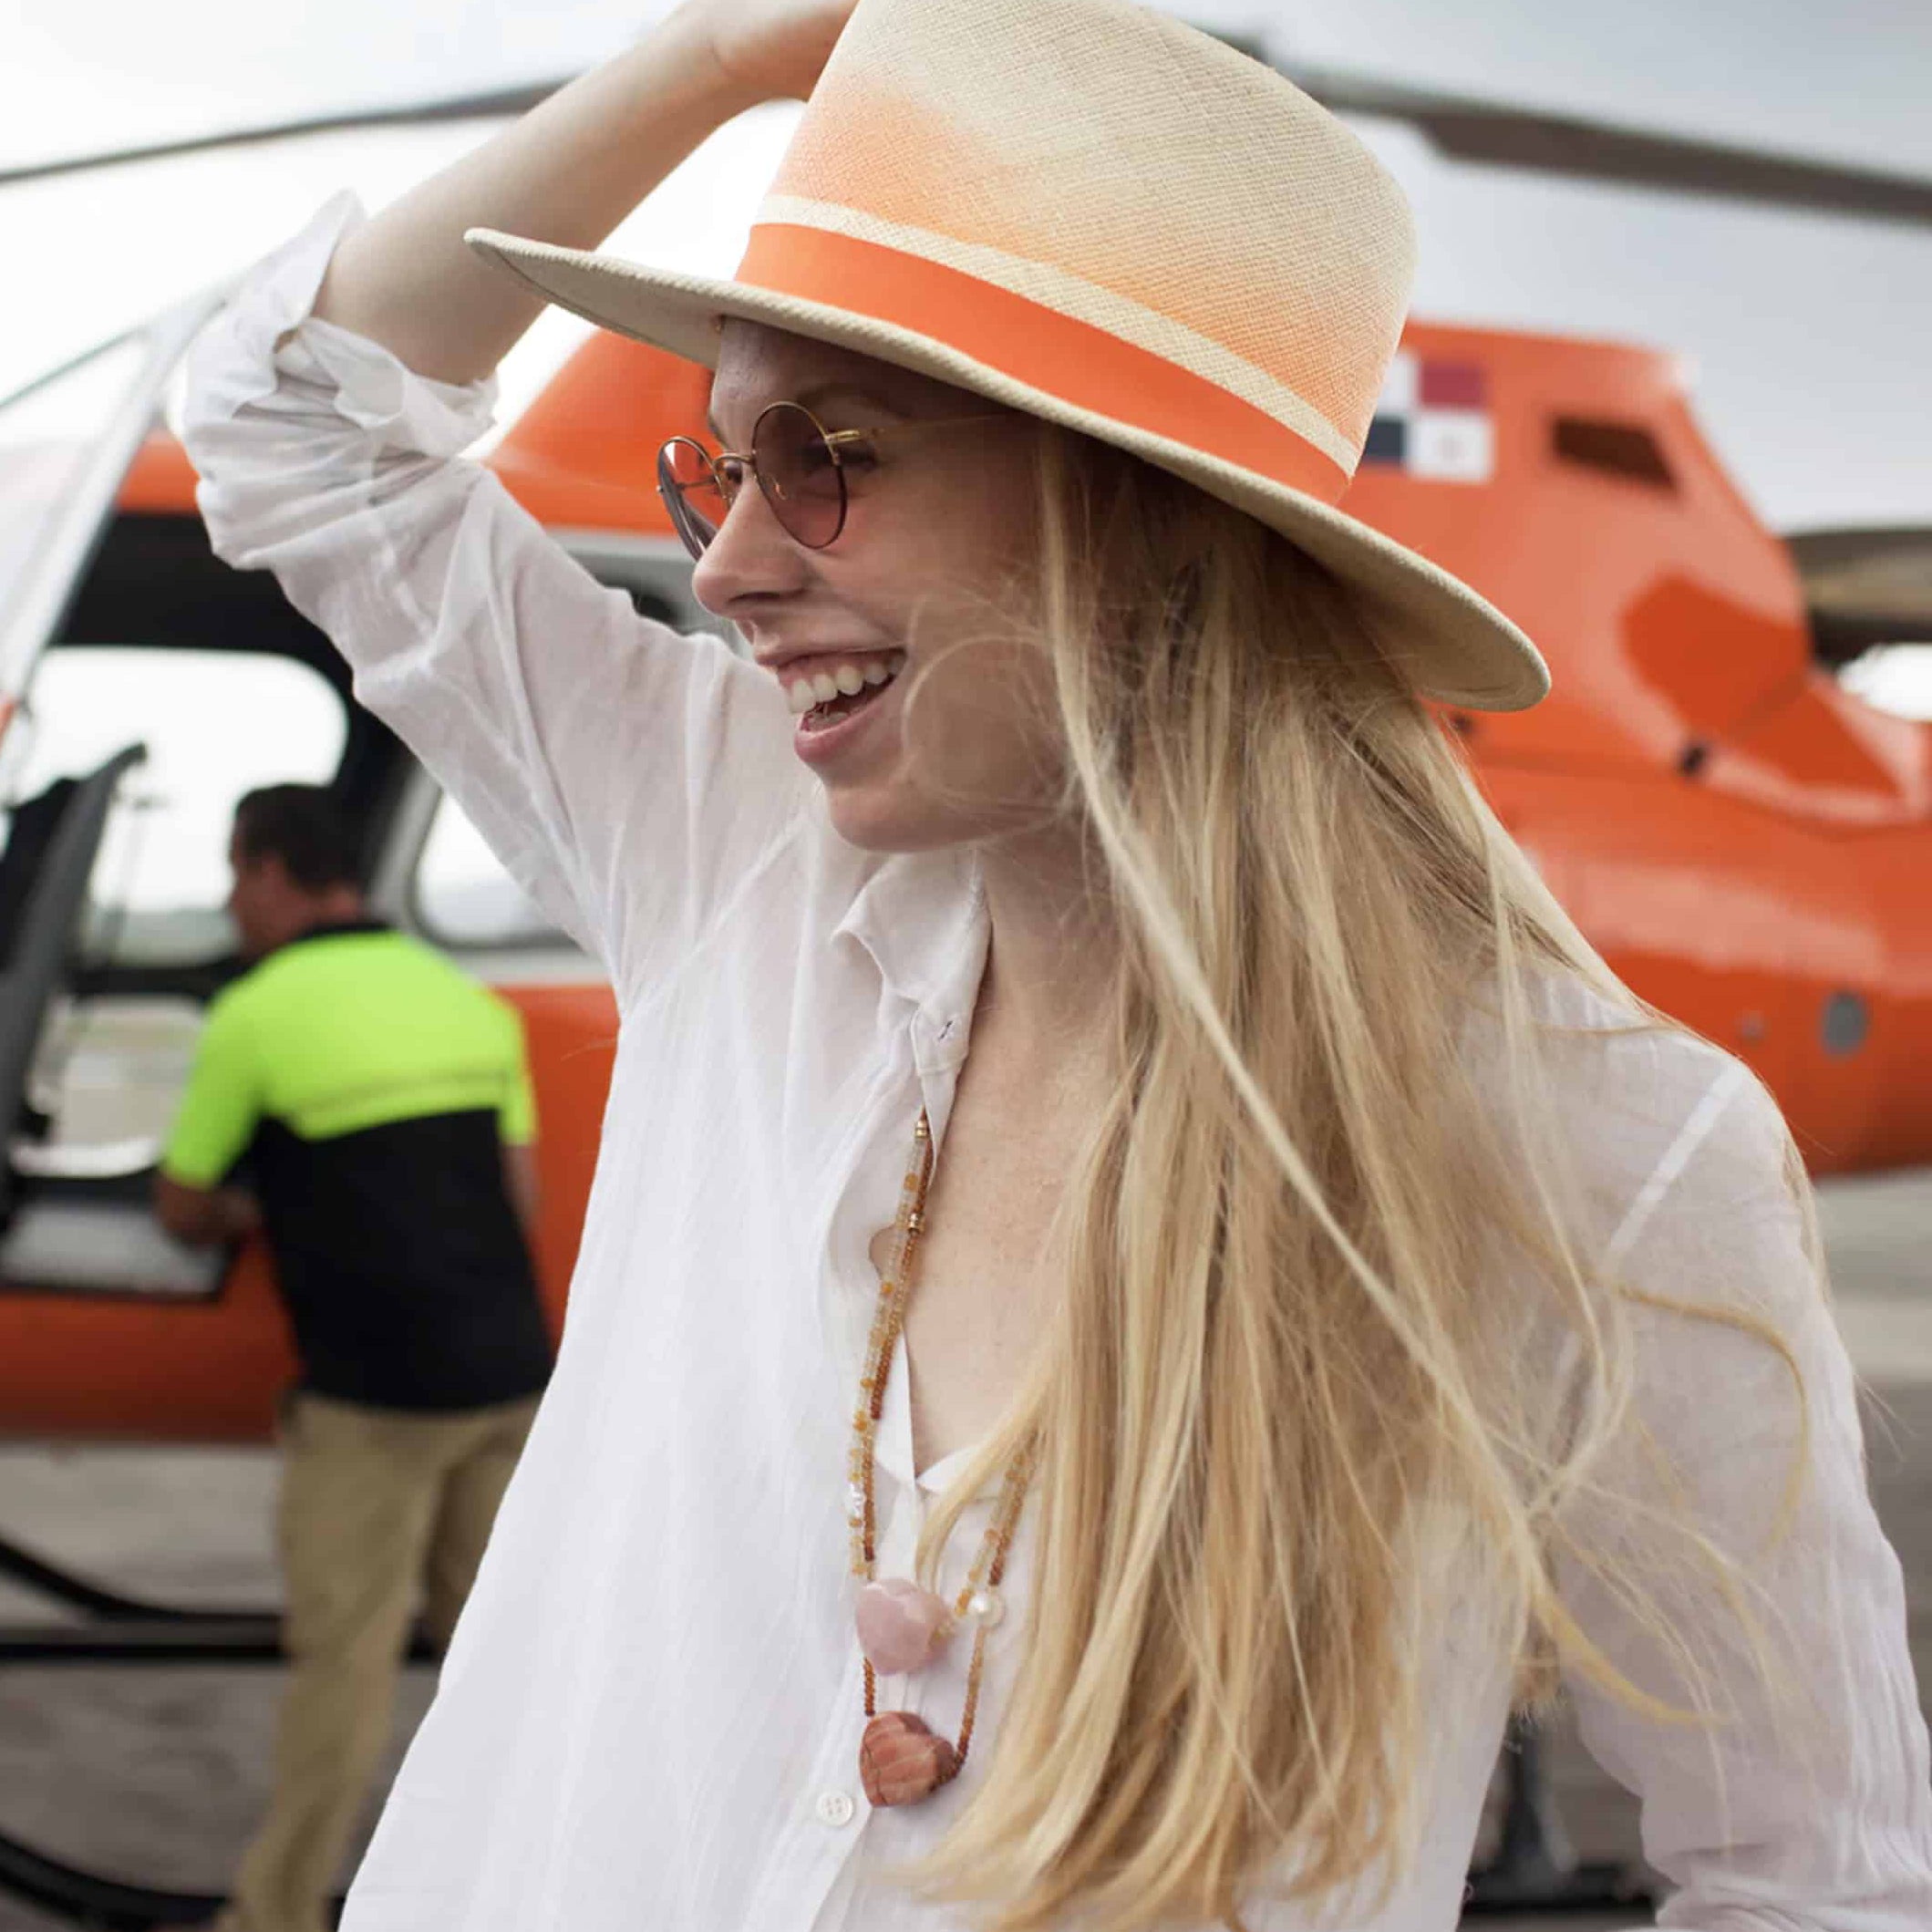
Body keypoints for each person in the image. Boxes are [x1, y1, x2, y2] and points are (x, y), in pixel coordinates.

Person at [178, 0, 1932, 1927]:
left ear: (1145, 516)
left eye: (829, 454)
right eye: (722, 470)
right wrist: (728, 59)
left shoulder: (1597, 1138)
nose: (735, 566)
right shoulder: (723, 842)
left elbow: (1810, 1874)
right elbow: (294, 417)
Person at [154, 784, 552, 1932]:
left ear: (276, 872)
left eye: (236, 879)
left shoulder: (256, 1012)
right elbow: (516, 1199)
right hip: (510, 1378)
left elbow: (183, 1203)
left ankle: (273, 1912)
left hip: (376, 1401)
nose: (233, 906)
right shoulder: (465, 1000)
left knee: (347, 1668)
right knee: (502, 1655)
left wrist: (259, 1209)